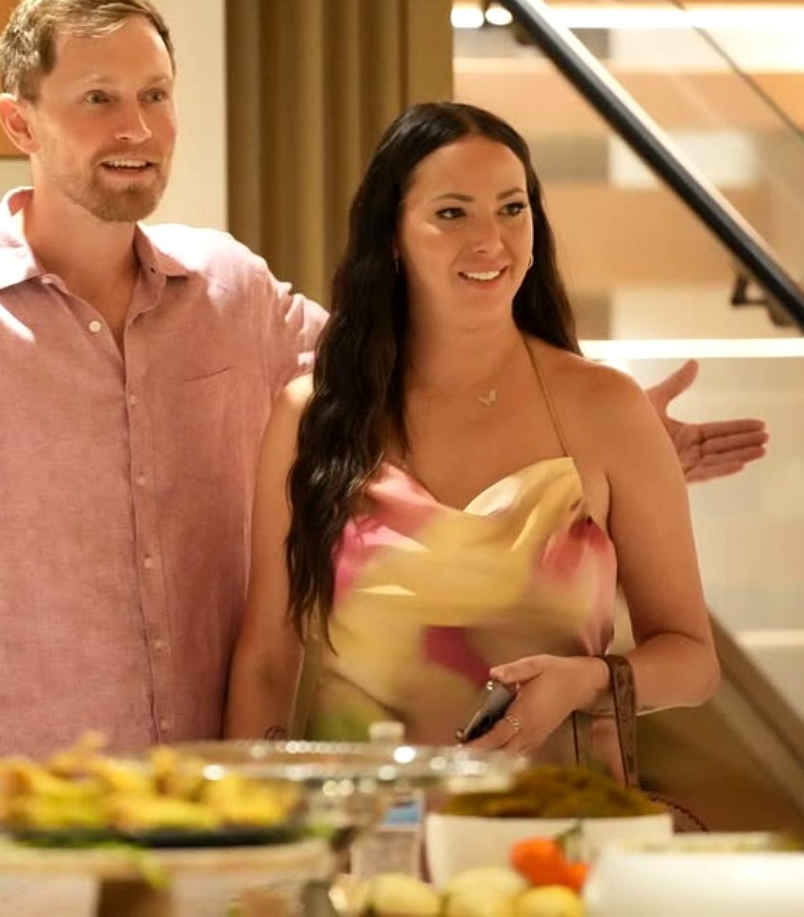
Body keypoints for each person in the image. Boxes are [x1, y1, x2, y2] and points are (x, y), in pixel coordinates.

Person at [0, 0, 759, 812]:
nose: (135, 127)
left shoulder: (229, 287)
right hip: (14, 820)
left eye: (154, 95)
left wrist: (602, 439)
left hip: (221, 812)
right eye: (97, 99)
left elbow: (407, 393)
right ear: (19, 123)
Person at [224, 102, 721, 777]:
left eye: (512, 209)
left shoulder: (607, 409)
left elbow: (692, 661)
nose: (491, 240)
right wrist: (253, 822)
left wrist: (586, 681)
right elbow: (266, 661)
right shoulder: (312, 416)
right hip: (364, 827)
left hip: (555, 824)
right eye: (452, 213)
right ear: (392, 236)